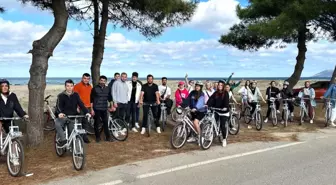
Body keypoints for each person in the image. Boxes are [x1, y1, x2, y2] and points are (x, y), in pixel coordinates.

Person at [55, 79, 91, 146]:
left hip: (73, 117)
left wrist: (87, 112)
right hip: (64, 116)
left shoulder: (76, 95)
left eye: (71, 86)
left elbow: (81, 104)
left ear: (73, 86)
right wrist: (60, 113)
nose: (69, 88)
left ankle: (75, 150)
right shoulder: (61, 95)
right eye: (68, 86)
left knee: (72, 134)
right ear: (65, 86)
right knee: (57, 123)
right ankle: (63, 140)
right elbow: (58, 106)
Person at [207, 80, 230, 147]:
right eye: (219, 85)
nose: (220, 86)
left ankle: (224, 139)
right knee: (213, 122)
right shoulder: (216, 93)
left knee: (223, 125)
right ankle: (211, 135)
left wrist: (225, 107)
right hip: (217, 110)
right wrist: (207, 104)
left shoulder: (226, 93)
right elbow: (211, 99)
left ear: (223, 86)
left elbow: (226, 101)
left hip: (223, 112)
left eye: (221, 85)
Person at [91, 75, 113, 142]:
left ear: (106, 81)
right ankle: (97, 137)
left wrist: (111, 106)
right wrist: (92, 109)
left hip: (104, 109)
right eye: (101, 80)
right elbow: (91, 100)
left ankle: (108, 137)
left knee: (106, 123)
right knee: (96, 123)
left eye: (104, 81)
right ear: (99, 81)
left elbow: (110, 98)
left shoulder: (108, 88)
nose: (102, 82)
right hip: (96, 109)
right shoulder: (94, 89)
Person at [73, 73, 92, 143]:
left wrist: (91, 108)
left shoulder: (90, 86)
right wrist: (76, 107)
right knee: (79, 123)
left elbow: (91, 98)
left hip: (88, 107)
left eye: (88, 79)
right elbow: (74, 97)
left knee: (86, 123)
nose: (86, 80)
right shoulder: (77, 86)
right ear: (82, 78)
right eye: (85, 78)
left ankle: (85, 137)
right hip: (80, 108)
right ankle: (79, 137)